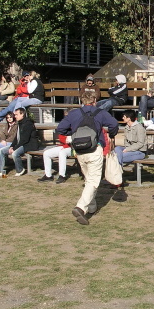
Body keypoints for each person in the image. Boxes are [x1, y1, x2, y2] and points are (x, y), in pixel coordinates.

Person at [56, 91, 119, 225]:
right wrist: (112, 135)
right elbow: (114, 124)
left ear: (81, 101)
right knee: (93, 181)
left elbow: (60, 129)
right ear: (95, 100)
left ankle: (92, 207)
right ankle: (81, 207)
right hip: (94, 149)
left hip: (79, 150)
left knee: (88, 178)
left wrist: (73, 135)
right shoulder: (100, 113)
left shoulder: (74, 113)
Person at [0, 107, 38, 177]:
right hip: (20, 144)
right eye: (15, 115)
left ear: (22, 114)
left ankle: (20, 170)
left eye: (16, 114)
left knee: (15, 153)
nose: (15, 116)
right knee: (1, 151)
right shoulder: (20, 123)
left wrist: (14, 148)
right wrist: (12, 146)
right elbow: (16, 138)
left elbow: (25, 139)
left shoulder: (28, 123)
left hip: (29, 144)